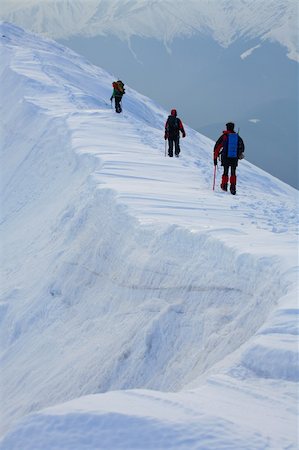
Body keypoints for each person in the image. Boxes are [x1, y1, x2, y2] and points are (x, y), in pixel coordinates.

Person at [213, 122, 245, 195]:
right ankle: (233, 188)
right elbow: (242, 148)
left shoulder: (224, 136)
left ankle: (224, 186)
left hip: (225, 157)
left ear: (227, 127)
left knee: (225, 171)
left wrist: (215, 158)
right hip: (234, 157)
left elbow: (217, 147)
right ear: (233, 127)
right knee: (233, 172)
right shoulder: (237, 137)